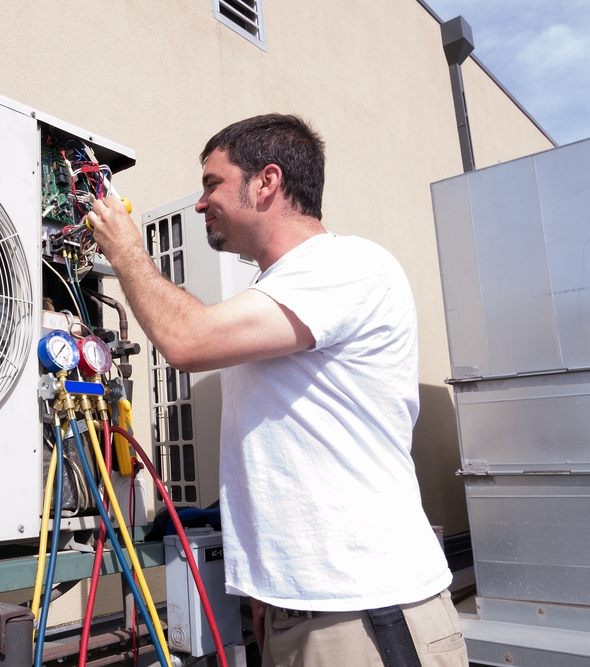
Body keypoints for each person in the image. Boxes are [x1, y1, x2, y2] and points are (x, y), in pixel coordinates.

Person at [87, 114, 466, 667]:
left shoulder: (344, 266)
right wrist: (268, 591)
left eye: (212, 183)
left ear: (267, 182)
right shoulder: (280, 293)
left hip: (366, 614)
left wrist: (126, 253)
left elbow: (186, 340)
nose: (199, 203)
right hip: (301, 612)